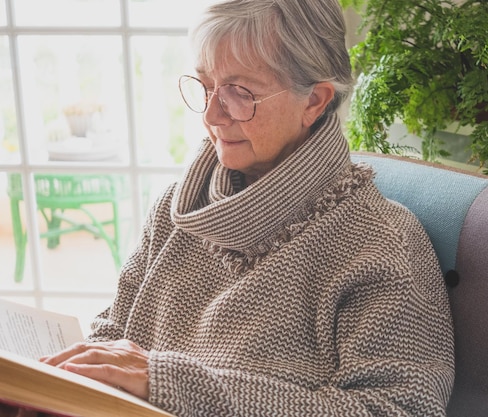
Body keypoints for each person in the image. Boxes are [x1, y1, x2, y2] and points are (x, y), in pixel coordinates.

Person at [30, 1, 455, 416]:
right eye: (205, 86)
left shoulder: (379, 245)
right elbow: (115, 330)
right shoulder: (175, 209)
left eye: (239, 92)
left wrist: (168, 381)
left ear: (315, 101)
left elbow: (398, 408)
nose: (212, 115)